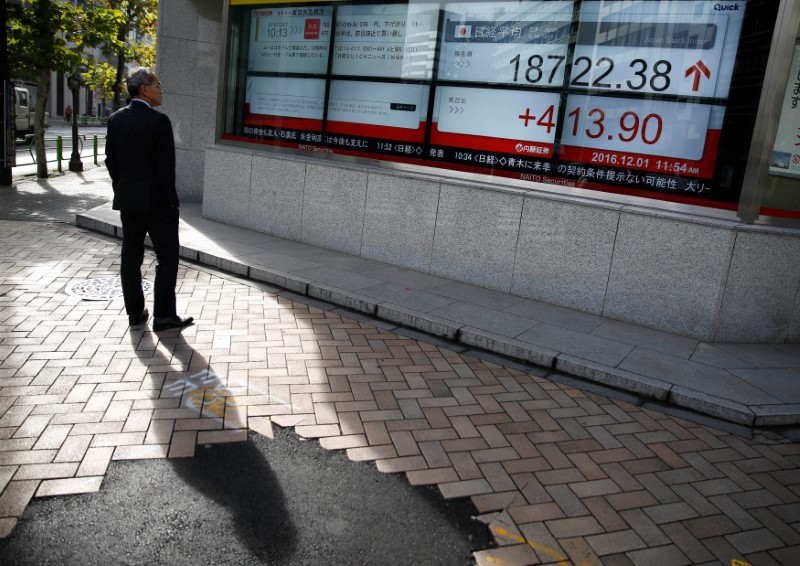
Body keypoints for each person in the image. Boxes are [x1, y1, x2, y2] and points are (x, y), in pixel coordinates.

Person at [105, 68, 193, 332]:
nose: (160, 90)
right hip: (158, 202)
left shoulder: (115, 119)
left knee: (130, 257)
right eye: (158, 85)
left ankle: (135, 313)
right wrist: (172, 201)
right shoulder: (159, 121)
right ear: (144, 88)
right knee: (167, 257)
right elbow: (166, 168)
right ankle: (164, 316)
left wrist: (121, 187)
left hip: (128, 200)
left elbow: (111, 161)